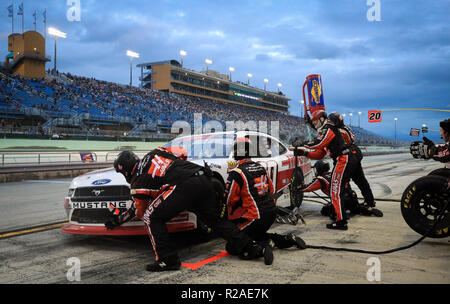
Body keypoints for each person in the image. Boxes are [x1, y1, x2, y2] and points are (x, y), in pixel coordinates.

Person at [105, 146, 271, 272]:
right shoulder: (156, 151)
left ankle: (167, 259)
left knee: (151, 217)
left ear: (125, 170)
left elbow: (139, 211)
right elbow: (182, 152)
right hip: (203, 177)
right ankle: (250, 246)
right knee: (215, 221)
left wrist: (117, 220)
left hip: (183, 186)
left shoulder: (137, 182)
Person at [224, 137, 306, 258]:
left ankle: (260, 249)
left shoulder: (236, 172)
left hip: (255, 216)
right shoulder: (261, 168)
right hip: (271, 213)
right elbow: (271, 191)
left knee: (232, 245)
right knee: (255, 234)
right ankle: (286, 239)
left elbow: (229, 200)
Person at [294, 110, 362, 230]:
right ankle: (344, 215)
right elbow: (320, 154)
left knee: (335, 190)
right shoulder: (325, 131)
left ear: (321, 119)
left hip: (343, 158)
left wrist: (303, 144)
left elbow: (319, 143)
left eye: (315, 121)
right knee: (338, 189)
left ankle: (341, 221)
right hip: (344, 158)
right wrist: (304, 153)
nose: (314, 123)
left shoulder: (328, 127)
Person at [327, 112, 382, 216]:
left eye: (332, 121)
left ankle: (342, 206)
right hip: (353, 155)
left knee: (340, 184)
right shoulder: (345, 128)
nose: (330, 123)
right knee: (361, 181)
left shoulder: (338, 130)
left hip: (346, 157)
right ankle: (369, 201)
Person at [299, 160, 376, 218]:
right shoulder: (335, 173)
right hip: (352, 196)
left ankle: (340, 216)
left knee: (325, 210)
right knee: (355, 209)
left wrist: (298, 187)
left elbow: (308, 188)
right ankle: (363, 210)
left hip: (342, 200)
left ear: (319, 169)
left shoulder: (321, 179)